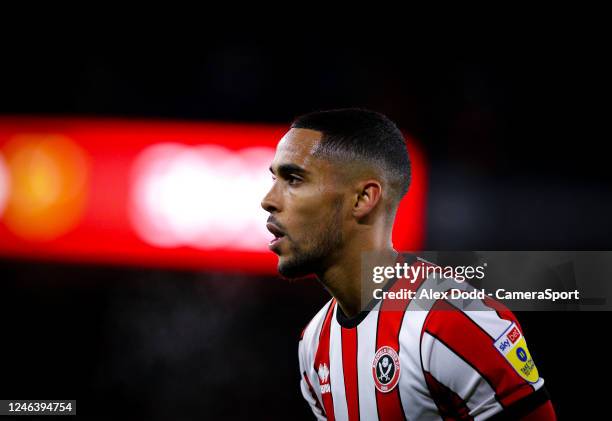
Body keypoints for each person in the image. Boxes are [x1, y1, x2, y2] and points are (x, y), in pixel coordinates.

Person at [260, 109, 556, 420]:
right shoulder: (313, 344)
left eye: (293, 179)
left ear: (362, 199)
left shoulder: (453, 322)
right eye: (274, 178)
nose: (268, 199)